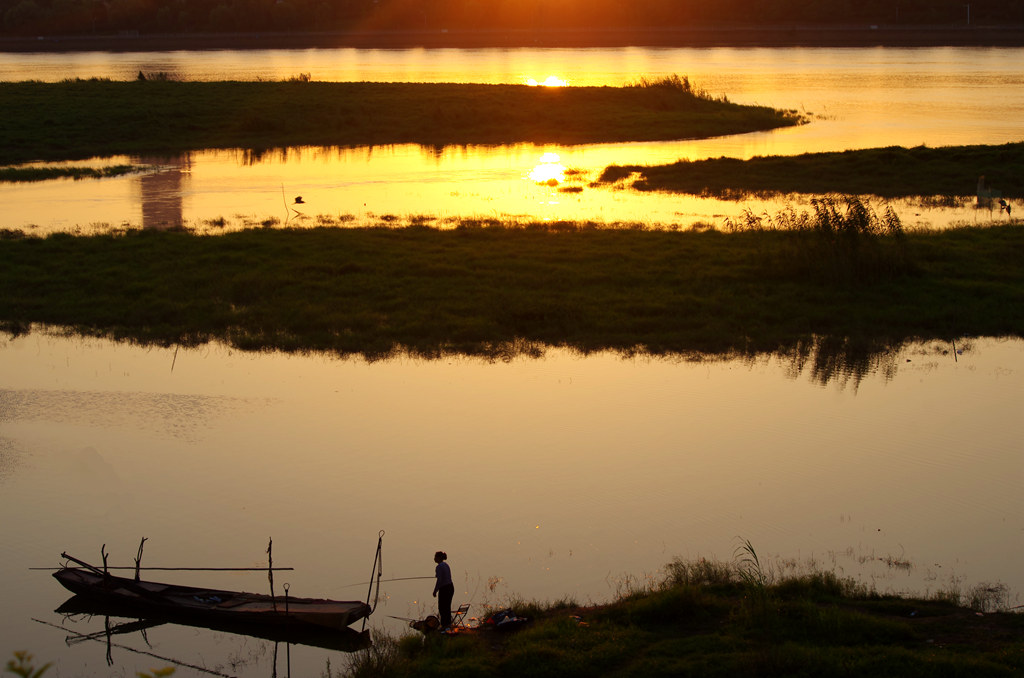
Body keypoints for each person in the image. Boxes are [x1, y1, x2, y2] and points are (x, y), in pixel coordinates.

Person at [432, 550, 454, 629]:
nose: (434, 558)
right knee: (447, 607)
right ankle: (448, 624)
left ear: (438, 558)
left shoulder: (439, 567)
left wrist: (435, 591)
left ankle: (444, 625)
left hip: (444, 589)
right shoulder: (445, 565)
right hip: (450, 587)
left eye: (435, 557)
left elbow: (440, 581)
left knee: (442, 608)